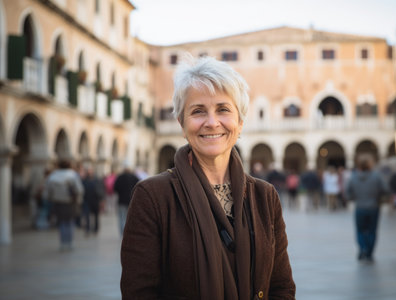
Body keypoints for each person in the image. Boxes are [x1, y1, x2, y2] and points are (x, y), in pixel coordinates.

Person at [121, 56, 295, 299]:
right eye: (198, 111)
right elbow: (139, 293)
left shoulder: (265, 196)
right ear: (182, 124)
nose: (212, 123)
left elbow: (281, 287)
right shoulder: (152, 197)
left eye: (223, 109)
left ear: (240, 122)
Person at [346, 155, 388, 262]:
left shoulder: (354, 176)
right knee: (372, 231)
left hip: (360, 207)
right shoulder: (376, 176)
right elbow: (385, 189)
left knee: (360, 231)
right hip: (374, 207)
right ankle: (369, 252)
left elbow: (348, 192)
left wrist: (354, 197)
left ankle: (362, 248)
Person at [42, 159, 84, 251]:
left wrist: (51, 199)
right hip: (70, 202)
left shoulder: (52, 176)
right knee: (70, 222)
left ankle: (63, 242)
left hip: (58, 202)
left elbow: (47, 192)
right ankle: (70, 242)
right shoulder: (73, 175)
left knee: (61, 222)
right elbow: (79, 190)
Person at [114, 162, 139, 236]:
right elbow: (139, 187)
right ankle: (129, 232)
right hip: (131, 200)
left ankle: (122, 233)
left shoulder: (120, 177)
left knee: (122, 217)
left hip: (121, 200)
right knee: (130, 217)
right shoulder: (134, 177)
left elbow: (115, 188)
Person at [81, 167, 105, 235]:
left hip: (96, 200)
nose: (89, 173)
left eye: (90, 171)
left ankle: (96, 229)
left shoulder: (97, 180)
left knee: (96, 216)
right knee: (87, 215)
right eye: (88, 171)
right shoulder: (84, 180)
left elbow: (101, 190)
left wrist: (102, 199)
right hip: (86, 200)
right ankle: (87, 229)